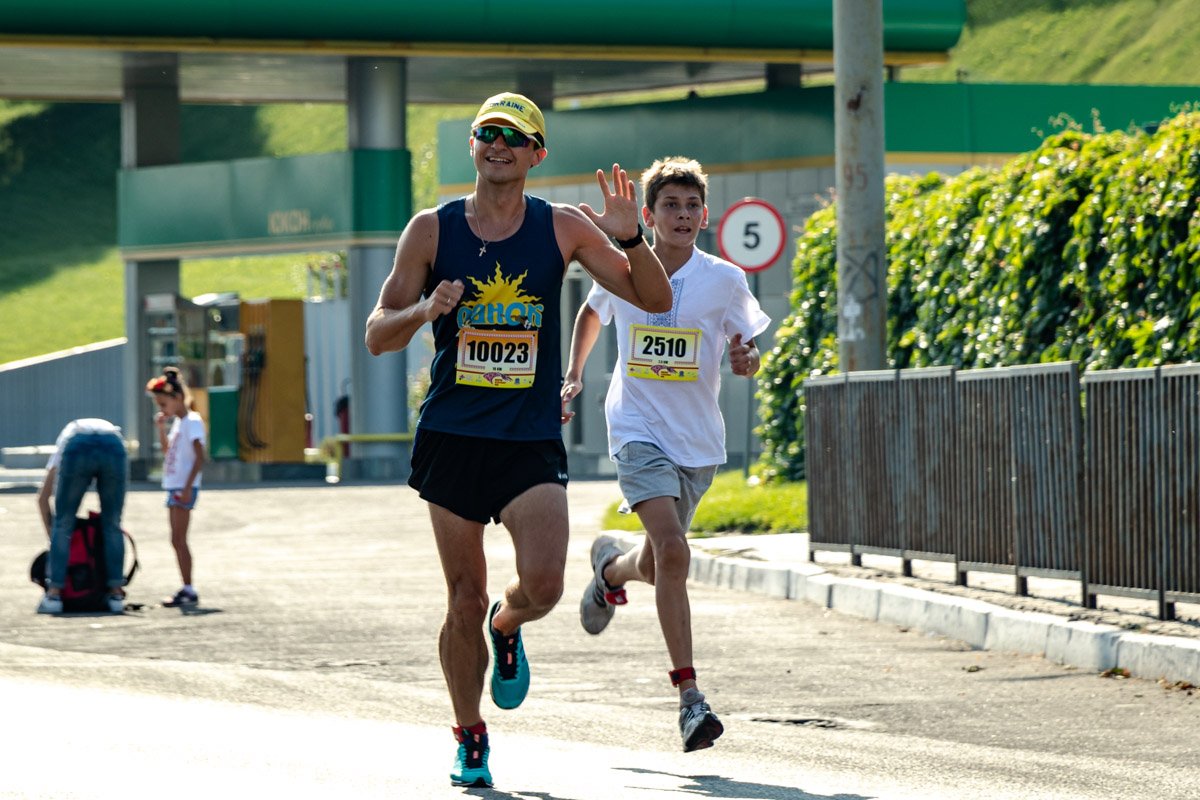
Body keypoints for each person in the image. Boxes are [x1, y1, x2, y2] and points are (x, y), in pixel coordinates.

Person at [364, 91, 672, 789]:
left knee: (543, 585)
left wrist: (631, 238)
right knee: (461, 598)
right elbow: (377, 335)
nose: (497, 145)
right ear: (473, 146)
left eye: (513, 136)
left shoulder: (561, 227)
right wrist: (423, 308)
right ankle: (469, 734)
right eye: (486, 133)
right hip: (452, 436)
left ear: (536, 153)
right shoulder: (430, 230)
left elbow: (652, 298)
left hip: (528, 439)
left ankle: (509, 627)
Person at [560, 156, 771, 752]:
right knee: (676, 551)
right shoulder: (623, 268)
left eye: (691, 206)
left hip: (697, 440)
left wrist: (745, 360)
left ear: (705, 215)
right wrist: (573, 374)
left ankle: (610, 570)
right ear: (647, 216)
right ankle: (689, 698)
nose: (682, 215)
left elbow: (745, 344)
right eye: (669, 206)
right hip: (636, 429)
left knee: (659, 562)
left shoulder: (725, 279)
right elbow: (589, 312)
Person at [36, 418, 129, 614]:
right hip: (114, 443)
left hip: (79, 444)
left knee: (63, 522)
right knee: (112, 523)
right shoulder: (106, 432)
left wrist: (54, 538)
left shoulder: (67, 439)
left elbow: (43, 498)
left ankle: (54, 595)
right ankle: (115, 594)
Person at [146, 366, 207, 608]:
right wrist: (161, 428)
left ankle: (189, 588)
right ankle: (186, 586)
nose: (162, 409)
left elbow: (200, 457)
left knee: (179, 539)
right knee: (176, 539)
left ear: (177, 398)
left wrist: (188, 487)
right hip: (176, 485)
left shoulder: (192, 421)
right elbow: (167, 453)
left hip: (183, 486)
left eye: (163, 404)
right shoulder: (179, 423)